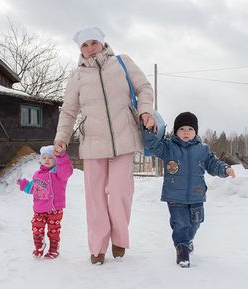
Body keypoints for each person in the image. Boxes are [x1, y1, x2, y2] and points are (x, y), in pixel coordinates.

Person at [53, 26, 155, 265]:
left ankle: (120, 237)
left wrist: (145, 111)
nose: (89, 49)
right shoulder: (76, 76)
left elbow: (144, 88)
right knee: (95, 197)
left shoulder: (122, 63)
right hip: (92, 143)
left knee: (120, 192)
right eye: (84, 45)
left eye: (93, 42)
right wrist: (61, 138)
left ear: (102, 42)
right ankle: (97, 246)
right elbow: (68, 111)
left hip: (124, 138)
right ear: (79, 49)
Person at [142, 111, 235, 268]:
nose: (186, 132)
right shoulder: (168, 147)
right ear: (176, 131)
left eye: (190, 129)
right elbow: (153, 145)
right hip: (174, 195)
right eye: (182, 129)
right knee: (180, 224)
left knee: (196, 222)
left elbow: (213, 164)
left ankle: (187, 240)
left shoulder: (203, 149)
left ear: (196, 132)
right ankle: (182, 248)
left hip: (196, 194)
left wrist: (225, 169)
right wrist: (149, 131)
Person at [17, 145, 73, 259]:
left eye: (50, 157)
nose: (47, 160)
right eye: (44, 157)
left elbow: (67, 170)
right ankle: (39, 246)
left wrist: (62, 157)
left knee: (54, 230)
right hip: (39, 209)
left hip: (55, 209)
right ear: (41, 160)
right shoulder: (37, 174)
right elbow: (33, 188)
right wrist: (24, 184)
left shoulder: (59, 174)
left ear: (55, 160)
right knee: (36, 226)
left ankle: (53, 249)